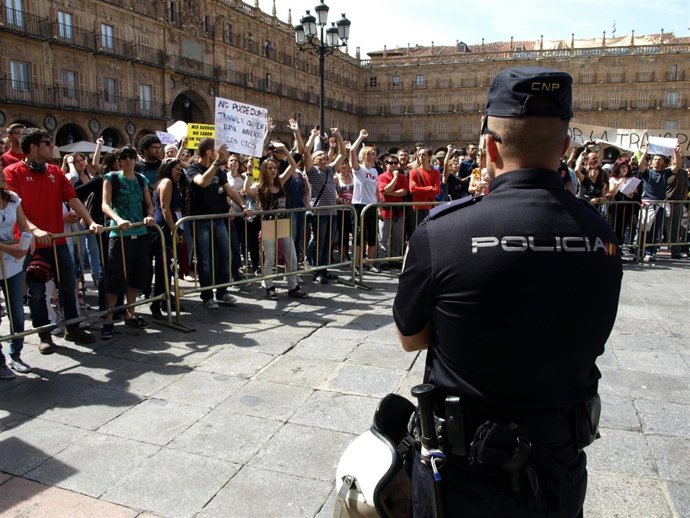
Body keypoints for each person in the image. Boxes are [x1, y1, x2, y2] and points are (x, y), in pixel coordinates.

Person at [393, 67, 622, 517]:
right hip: (559, 464)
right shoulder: (603, 236)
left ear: (489, 147)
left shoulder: (443, 233)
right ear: (566, 149)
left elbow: (410, 338)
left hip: (463, 476)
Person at [5, 128, 103, 353]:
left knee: (69, 285)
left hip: (59, 241)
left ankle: (72, 328)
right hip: (30, 244)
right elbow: (16, 208)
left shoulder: (55, 172)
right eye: (47, 143)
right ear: (32, 147)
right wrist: (34, 229)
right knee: (38, 293)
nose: (52, 147)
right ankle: (44, 334)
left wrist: (89, 222)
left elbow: (72, 198)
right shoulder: (13, 172)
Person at [186, 138, 250, 309]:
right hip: (201, 222)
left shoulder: (219, 171)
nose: (221, 153)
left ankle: (222, 292)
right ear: (209, 152)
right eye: (217, 150)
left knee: (225, 255)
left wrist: (243, 206)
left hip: (219, 220)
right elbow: (202, 182)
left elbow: (229, 190)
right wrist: (216, 162)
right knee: (205, 260)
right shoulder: (193, 169)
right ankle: (207, 295)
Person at [243, 143, 308, 300]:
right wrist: (249, 172)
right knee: (270, 258)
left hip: (283, 222)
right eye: (269, 168)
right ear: (264, 170)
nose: (273, 170)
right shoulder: (260, 186)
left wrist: (284, 149)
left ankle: (293, 287)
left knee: (292, 256)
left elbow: (293, 164)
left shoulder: (281, 181)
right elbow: (247, 190)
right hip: (269, 224)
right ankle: (270, 287)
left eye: (274, 168)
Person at [0, 167, 32, 378]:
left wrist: (29, 240)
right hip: (6, 252)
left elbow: (24, 224)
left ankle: (16, 354)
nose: (3, 177)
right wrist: (7, 247)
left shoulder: (12, 198)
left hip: (11, 263)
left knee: (17, 314)